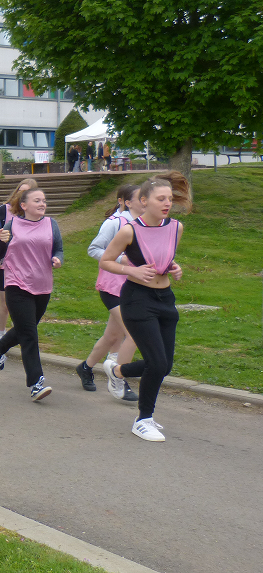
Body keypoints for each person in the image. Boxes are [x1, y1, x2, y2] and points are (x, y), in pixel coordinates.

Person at [99, 172, 190, 442]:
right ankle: (143, 419)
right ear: (143, 201)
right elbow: (106, 261)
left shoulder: (176, 227)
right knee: (156, 362)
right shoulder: (129, 230)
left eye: (170, 199)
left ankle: (116, 370)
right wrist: (133, 271)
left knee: (164, 366)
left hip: (165, 300)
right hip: (137, 300)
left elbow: (163, 256)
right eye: (161, 198)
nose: (167, 203)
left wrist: (173, 266)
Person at [0, 189, 63, 401]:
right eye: (37, 200)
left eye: (44, 200)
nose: (42, 204)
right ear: (23, 205)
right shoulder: (11, 225)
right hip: (16, 283)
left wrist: (58, 259)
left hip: (42, 285)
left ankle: (0, 345)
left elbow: (58, 249)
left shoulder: (51, 224)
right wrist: (1, 241)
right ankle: (35, 382)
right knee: (30, 334)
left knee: (27, 328)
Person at [76, 184, 143, 401]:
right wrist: (121, 259)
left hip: (133, 287)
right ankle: (119, 381)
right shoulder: (114, 224)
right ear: (126, 202)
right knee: (134, 333)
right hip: (112, 287)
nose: (145, 201)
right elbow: (93, 249)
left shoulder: (144, 225)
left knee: (113, 335)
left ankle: (85, 368)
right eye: (141, 198)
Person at [0, 178, 38, 356]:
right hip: (4, 263)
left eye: (26, 192)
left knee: (22, 307)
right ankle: (0, 333)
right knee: (4, 303)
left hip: (25, 266)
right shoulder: (5, 210)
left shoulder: (35, 216)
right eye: (20, 190)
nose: (21, 194)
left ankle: (16, 337)